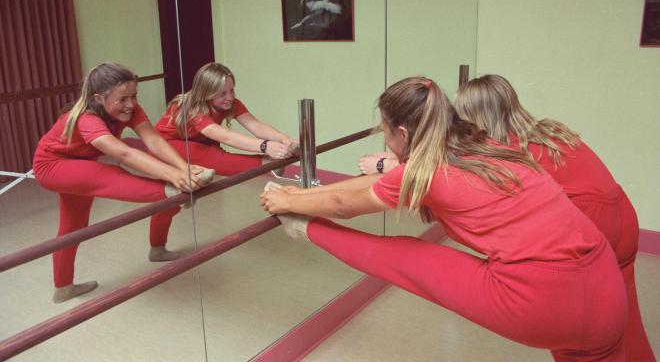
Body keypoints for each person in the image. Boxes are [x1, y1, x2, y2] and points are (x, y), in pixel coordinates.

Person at [261, 77, 628, 361]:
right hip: (606, 287)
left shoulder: (430, 171)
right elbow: (376, 184)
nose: (386, 142)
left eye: (385, 133)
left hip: (542, 298)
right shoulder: (484, 146)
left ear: (402, 134)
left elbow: (345, 202)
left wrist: (289, 203)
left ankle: (305, 229)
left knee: (406, 257)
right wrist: (298, 195)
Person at [454, 74, 655, 361]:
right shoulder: (547, 131)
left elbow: (458, 180)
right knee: (625, 323)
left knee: (577, 335)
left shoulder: (506, 152)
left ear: (474, 117)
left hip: (592, 227)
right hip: (623, 217)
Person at [33, 62, 212, 303]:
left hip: (80, 164)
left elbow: (153, 139)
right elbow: (124, 154)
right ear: (99, 98)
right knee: (104, 174)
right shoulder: (86, 117)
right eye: (122, 99)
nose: (130, 104)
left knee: (74, 226)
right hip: (52, 166)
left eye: (134, 96)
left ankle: (64, 287)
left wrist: (184, 168)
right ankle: (169, 191)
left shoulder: (130, 109)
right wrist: (173, 177)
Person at [155, 62, 297, 177]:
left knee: (175, 200)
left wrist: (284, 139)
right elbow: (226, 137)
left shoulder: (231, 103)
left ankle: (265, 163)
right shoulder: (193, 109)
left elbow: (256, 126)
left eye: (232, 90)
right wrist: (265, 146)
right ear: (207, 93)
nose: (230, 97)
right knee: (213, 156)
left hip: (198, 141)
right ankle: (264, 164)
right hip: (165, 145)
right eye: (222, 93)